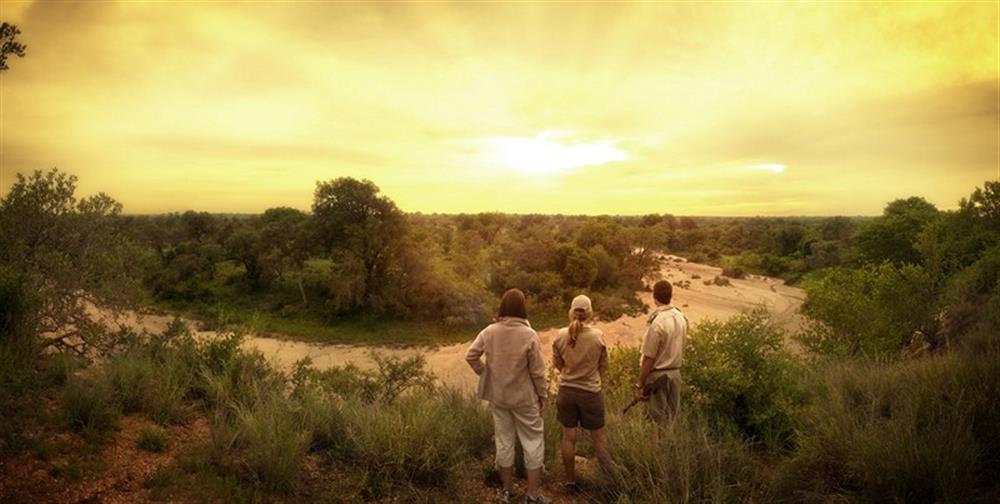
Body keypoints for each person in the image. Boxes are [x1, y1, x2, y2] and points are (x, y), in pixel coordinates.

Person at [466, 288, 551, 504]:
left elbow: (471, 355)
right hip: (525, 398)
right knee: (532, 442)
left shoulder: (489, 331)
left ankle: (506, 491)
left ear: (502, 307)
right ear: (523, 308)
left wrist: (485, 372)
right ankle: (532, 495)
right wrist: (543, 395)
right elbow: (538, 372)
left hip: (499, 397)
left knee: (504, 441)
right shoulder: (529, 335)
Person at [552, 294, 612, 490]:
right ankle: (609, 481)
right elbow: (604, 366)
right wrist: (589, 376)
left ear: (571, 312)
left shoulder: (560, 335)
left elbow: (558, 365)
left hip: (566, 391)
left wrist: (571, 374)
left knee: (568, 437)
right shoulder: (597, 336)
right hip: (591, 393)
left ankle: (570, 481)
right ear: (590, 313)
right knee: (599, 439)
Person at [635, 280, 688, 425]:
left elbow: (648, 358)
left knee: (654, 422)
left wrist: (639, 385)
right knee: (670, 421)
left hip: (658, 377)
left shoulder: (657, 322)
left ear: (654, 296)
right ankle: (667, 447)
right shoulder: (681, 317)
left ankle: (654, 448)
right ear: (671, 295)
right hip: (676, 374)